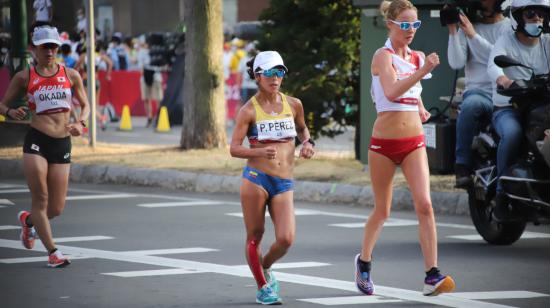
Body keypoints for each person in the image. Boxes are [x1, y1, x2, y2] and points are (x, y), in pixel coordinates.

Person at [354, 0, 455, 297]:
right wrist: (423, 70)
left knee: (424, 204)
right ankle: (364, 261)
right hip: (383, 144)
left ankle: (431, 274)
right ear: (391, 24)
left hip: (414, 141)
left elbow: (411, 93)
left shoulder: (417, 57)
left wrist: (421, 108)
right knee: (382, 211)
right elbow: (392, 91)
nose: (411, 30)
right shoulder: (382, 57)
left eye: (416, 25)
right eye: (405, 25)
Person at [229, 51, 315, 305]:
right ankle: (263, 287)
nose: (275, 78)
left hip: (283, 181)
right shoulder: (248, 110)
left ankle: (264, 266)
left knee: (286, 239)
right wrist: (258, 151)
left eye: (279, 72)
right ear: (257, 76)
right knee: (255, 236)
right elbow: (234, 148)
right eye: (269, 73)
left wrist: (308, 142)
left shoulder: (294, 103)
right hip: (256, 178)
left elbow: (302, 129)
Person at [0, 25, 90, 267]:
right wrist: (9, 111)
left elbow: (85, 104)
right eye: (44, 47)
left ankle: (28, 222)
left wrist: (81, 123)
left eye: (53, 46)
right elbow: (2, 104)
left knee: (56, 208)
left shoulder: (70, 74)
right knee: (40, 198)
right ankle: (53, 253)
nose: (49, 51)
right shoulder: (24, 76)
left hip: (62, 142)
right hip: (37, 141)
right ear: (34, 49)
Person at [487, 0, 550, 221]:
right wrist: (504, 80)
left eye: (541, 14)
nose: (537, 19)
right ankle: (501, 194)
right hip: (509, 107)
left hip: (541, 106)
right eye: (531, 14)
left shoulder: (547, 42)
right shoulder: (506, 41)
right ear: (518, 17)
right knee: (512, 133)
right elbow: (493, 65)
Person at [447, 0, 510, 188]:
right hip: (479, 92)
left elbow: (500, 59)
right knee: (470, 104)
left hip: (506, 93)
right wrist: (453, 31)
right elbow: (456, 63)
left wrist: (474, 36)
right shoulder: (468, 28)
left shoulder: (509, 27)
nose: (481, 4)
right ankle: (462, 165)